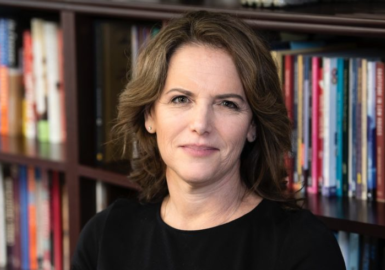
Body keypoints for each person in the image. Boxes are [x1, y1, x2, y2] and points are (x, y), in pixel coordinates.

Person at [71, 10, 345, 270]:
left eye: (227, 104)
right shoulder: (104, 236)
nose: (201, 124)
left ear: (253, 125)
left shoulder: (302, 248)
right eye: (180, 99)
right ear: (149, 115)